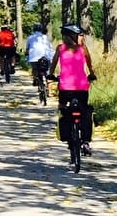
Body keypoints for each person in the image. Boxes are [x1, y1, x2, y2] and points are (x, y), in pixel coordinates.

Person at [48, 24, 97, 152]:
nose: (82, 38)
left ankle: (68, 134)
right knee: (85, 111)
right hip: (82, 88)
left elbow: (53, 65)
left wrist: (51, 75)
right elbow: (90, 66)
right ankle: (86, 141)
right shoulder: (83, 49)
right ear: (74, 36)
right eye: (80, 35)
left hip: (65, 88)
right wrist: (91, 75)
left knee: (63, 109)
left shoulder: (60, 48)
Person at [25, 23, 54, 88]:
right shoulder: (45, 37)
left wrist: (26, 55)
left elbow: (27, 49)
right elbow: (50, 48)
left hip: (34, 58)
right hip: (46, 57)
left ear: (34, 29)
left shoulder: (30, 37)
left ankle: (35, 79)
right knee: (47, 71)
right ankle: (49, 88)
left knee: (34, 68)